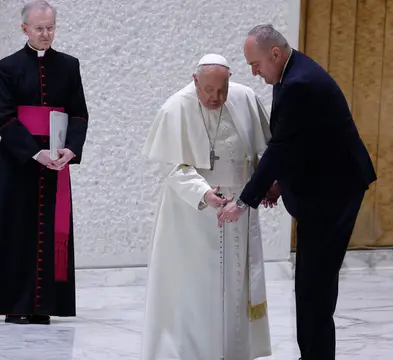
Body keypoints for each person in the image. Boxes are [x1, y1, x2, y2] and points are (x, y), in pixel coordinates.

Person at [218, 25, 377, 360]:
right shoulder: (289, 75)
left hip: (333, 194)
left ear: (274, 53)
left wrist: (245, 201)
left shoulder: (300, 83)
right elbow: (299, 142)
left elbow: (279, 148)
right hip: (322, 189)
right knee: (308, 286)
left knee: (314, 290)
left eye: (255, 64)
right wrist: (278, 183)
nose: (254, 71)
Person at [140, 53, 272, 360]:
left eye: (221, 90)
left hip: (238, 207)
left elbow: (264, 150)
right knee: (195, 286)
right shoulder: (176, 108)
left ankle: (233, 351)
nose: (215, 98)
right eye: (208, 91)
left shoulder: (245, 99)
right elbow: (172, 166)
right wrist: (204, 195)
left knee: (236, 283)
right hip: (192, 213)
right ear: (195, 81)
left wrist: (266, 183)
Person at [0, 0, 89, 325]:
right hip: (19, 162)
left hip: (56, 162)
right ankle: (15, 304)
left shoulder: (69, 65)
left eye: (51, 27)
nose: (46, 34)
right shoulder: (7, 67)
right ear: (24, 28)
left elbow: (79, 113)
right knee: (16, 230)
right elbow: (6, 120)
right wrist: (35, 153)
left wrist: (70, 149)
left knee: (49, 233)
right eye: (40, 28)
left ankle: (44, 306)